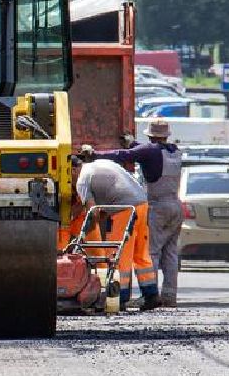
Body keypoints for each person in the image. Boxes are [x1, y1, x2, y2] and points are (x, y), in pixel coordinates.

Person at [94, 119, 184, 306]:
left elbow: (123, 155)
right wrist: (133, 143)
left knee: (151, 252)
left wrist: (94, 154)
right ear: (166, 136)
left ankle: (151, 296)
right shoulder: (174, 151)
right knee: (170, 253)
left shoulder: (150, 151)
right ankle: (169, 297)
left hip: (157, 207)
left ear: (150, 136)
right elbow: (148, 151)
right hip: (175, 206)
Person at [73, 144, 161, 310]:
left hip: (124, 209)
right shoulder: (102, 163)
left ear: (72, 170)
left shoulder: (82, 179)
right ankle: (151, 295)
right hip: (142, 204)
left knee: (119, 254)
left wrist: (84, 235)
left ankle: (120, 298)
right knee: (140, 252)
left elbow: (94, 212)